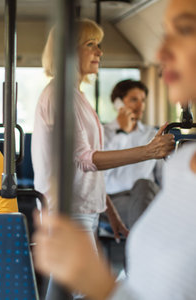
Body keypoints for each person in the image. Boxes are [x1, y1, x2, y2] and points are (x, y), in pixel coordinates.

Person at [32, 0, 196, 299]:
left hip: (85, 205)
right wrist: (148, 151)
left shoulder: (76, 97)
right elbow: (84, 160)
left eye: (99, 44)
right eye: (91, 44)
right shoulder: (59, 95)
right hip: (69, 208)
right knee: (73, 290)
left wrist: (110, 210)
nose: (99, 51)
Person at [103, 79, 163, 228]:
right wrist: (122, 132)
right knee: (148, 213)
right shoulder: (103, 133)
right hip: (114, 200)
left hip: (147, 194)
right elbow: (100, 171)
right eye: (134, 99)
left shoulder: (152, 134)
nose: (140, 105)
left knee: (144, 185)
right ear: (118, 103)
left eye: (143, 100)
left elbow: (163, 176)